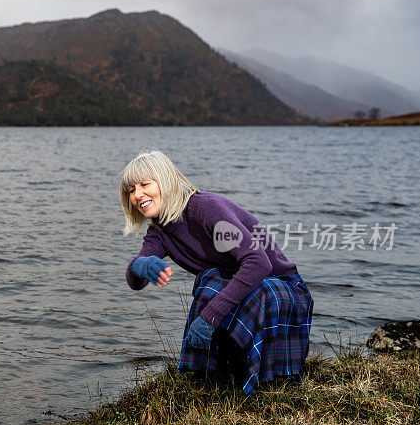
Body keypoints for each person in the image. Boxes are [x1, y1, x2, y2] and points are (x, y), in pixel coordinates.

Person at [121, 149, 313, 394]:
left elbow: (259, 263)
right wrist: (140, 266)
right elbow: (135, 282)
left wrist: (209, 317)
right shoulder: (159, 232)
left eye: (144, 184)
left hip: (281, 289)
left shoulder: (205, 208)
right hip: (249, 291)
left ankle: (267, 378)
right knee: (210, 280)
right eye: (131, 190)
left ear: (165, 180)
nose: (137, 195)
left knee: (219, 284)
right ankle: (215, 376)